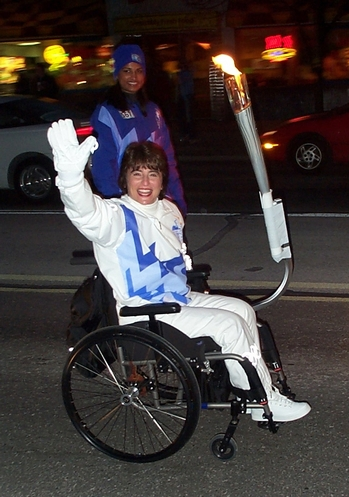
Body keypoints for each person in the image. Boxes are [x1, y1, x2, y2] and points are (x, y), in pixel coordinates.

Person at [47, 119, 311, 423]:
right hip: (144, 311)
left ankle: (256, 392)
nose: (145, 182)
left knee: (242, 311)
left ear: (162, 180)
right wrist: (69, 175)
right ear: (125, 179)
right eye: (137, 173)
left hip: (177, 299)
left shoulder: (169, 210)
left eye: (153, 173)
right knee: (230, 326)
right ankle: (259, 400)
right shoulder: (115, 217)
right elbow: (84, 212)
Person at [90, 43, 186, 216]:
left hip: (158, 203)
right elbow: (103, 166)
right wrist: (119, 206)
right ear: (117, 73)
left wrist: (177, 200)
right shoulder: (107, 112)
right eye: (127, 70)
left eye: (139, 70)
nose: (133, 76)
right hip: (128, 203)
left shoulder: (153, 111)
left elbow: (168, 159)